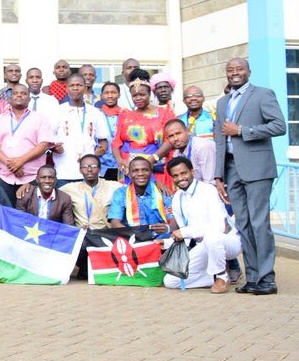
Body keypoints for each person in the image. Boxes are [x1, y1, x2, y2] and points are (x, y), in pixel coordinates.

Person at [215, 57, 285, 295]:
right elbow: (219, 140)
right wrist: (218, 175)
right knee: (243, 225)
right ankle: (253, 277)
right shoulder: (222, 102)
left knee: (259, 223)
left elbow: (279, 126)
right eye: (230, 69)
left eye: (239, 69)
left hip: (257, 169)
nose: (235, 72)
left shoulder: (263, 94)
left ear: (249, 72)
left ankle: (267, 279)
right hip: (231, 169)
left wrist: (242, 130)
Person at [166, 156, 239, 292]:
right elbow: (184, 235)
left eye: (183, 173)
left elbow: (218, 227)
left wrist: (185, 232)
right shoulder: (177, 198)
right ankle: (213, 277)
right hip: (203, 246)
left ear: (192, 172)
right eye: (175, 176)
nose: (180, 178)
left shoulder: (208, 190)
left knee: (212, 238)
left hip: (227, 241)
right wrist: (166, 243)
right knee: (171, 281)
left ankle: (221, 277)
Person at [0, 83, 55, 205]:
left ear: (29, 98)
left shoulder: (40, 119)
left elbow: (44, 145)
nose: (19, 96)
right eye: (15, 93)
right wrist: (12, 165)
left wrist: (21, 161)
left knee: (31, 214)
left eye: (23, 93)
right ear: (10, 98)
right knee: (6, 212)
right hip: (4, 177)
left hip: (32, 178)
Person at [112, 80, 173, 186]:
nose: (138, 98)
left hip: (155, 162)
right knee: (130, 194)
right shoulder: (125, 115)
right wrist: (119, 160)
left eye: (142, 94)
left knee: (156, 193)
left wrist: (152, 160)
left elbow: (170, 139)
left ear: (150, 94)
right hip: (128, 165)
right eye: (134, 95)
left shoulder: (164, 113)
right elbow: (116, 142)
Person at [53, 74, 110, 185]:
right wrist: (54, 148)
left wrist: (98, 152)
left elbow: (103, 141)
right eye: (72, 85)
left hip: (89, 173)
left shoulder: (96, 112)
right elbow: (48, 140)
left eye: (79, 85)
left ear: (85, 87)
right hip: (63, 171)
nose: (75, 88)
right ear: (66, 88)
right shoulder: (57, 111)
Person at [108, 156, 171, 238]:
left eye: (145, 170)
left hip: (161, 240)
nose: (140, 174)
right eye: (135, 170)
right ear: (129, 174)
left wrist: (168, 228)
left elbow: (174, 218)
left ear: (151, 172)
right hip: (132, 239)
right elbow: (115, 223)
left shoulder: (161, 190)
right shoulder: (121, 193)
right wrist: (135, 236)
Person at [61, 155, 119, 230]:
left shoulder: (113, 186)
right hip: (82, 233)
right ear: (80, 170)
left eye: (94, 166)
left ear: (100, 169)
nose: (89, 169)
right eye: (85, 167)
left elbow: (130, 189)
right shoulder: (70, 188)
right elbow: (52, 193)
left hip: (104, 233)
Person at [161, 118, 216, 183]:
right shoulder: (176, 154)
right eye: (171, 136)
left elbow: (210, 182)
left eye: (178, 133)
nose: (175, 138)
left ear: (187, 131)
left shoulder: (202, 147)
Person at [96, 81, 123, 181]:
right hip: (101, 165)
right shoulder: (96, 115)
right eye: (106, 93)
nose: (110, 96)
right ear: (102, 96)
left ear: (119, 95)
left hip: (122, 163)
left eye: (113, 92)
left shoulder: (126, 115)